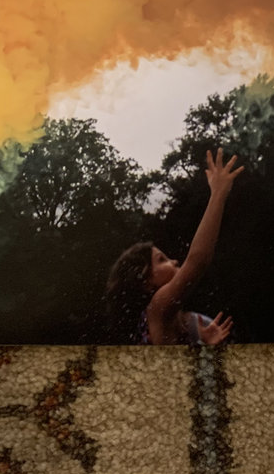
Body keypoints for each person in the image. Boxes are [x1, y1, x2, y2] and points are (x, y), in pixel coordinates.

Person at [104, 148, 243, 345]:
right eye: (162, 260)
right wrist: (218, 194)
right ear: (146, 282)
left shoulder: (182, 320)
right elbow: (197, 261)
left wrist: (205, 347)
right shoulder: (157, 307)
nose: (175, 261)